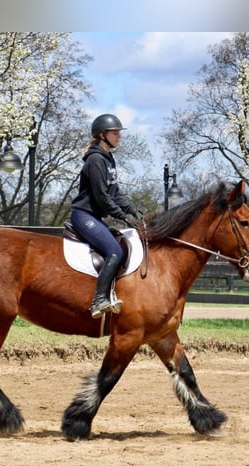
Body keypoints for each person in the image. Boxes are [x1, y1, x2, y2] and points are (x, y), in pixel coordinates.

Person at [70, 113, 143, 319]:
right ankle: (99, 300)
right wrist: (121, 216)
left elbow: (115, 193)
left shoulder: (108, 159)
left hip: (95, 217)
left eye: (118, 132)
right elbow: (101, 197)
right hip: (84, 215)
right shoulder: (95, 160)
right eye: (114, 133)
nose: (119, 136)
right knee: (114, 252)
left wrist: (131, 210)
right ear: (102, 135)